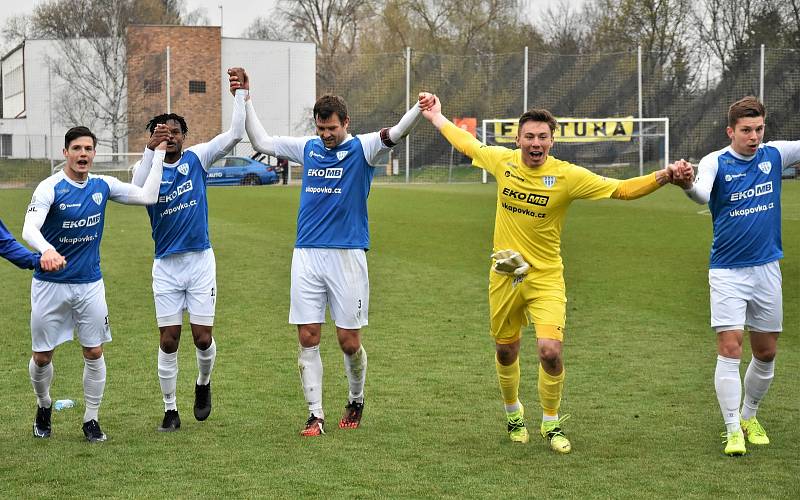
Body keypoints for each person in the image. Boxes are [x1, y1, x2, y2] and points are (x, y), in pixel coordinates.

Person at [421, 96, 682, 453]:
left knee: (549, 351)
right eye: (529, 137)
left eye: (543, 137)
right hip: (506, 273)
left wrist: (664, 176)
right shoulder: (502, 162)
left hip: (545, 277)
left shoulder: (566, 176)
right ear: (518, 140)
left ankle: (551, 422)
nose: (536, 143)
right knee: (505, 351)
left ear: (552, 141)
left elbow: (620, 189)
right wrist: (436, 116)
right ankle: (514, 414)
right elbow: (466, 141)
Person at [230, 67, 432, 436]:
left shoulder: (363, 148)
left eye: (332, 129)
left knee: (348, 340)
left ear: (345, 123)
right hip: (306, 254)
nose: (325, 136)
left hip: (347, 256)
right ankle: (315, 415)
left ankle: (356, 398)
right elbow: (260, 141)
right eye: (321, 129)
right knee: (308, 335)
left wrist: (419, 108)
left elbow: (397, 132)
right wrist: (244, 95)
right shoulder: (307, 148)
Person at [671, 96, 799, 456]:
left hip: (767, 269)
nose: (754, 136)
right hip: (727, 270)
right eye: (746, 130)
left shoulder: (775, 155)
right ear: (731, 131)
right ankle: (732, 430)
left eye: (759, 129)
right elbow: (701, 194)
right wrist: (684, 184)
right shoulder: (716, 161)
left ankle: (749, 416)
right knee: (730, 348)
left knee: (767, 352)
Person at [22, 126, 164, 442]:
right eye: (77, 148)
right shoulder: (51, 187)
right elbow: (29, 228)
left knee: (94, 351)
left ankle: (91, 419)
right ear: (65, 153)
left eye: (88, 149)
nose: (83, 154)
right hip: (50, 285)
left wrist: (155, 152)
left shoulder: (102, 185)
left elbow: (147, 195)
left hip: (89, 285)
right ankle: (43, 405)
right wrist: (47, 249)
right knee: (42, 356)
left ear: (94, 153)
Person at [132, 72, 246, 432]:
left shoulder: (197, 158)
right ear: (153, 138)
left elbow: (234, 135)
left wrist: (240, 94)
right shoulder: (144, 167)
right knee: (169, 339)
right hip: (165, 266)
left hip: (199, 262)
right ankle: (170, 409)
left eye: (175, 132)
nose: (171, 137)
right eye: (163, 133)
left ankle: (203, 382)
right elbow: (137, 193)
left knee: (202, 337)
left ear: (185, 136)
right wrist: (152, 151)